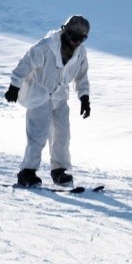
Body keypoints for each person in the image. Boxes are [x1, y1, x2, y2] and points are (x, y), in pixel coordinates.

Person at [5, 14, 91, 188]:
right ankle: (27, 172)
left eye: (81, 38)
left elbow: (82, 76)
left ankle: (59, 171)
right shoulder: (46, 47)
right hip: (39, 95)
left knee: (62, 135)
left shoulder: (80, 53)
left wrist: (84, 98)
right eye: (74, 37)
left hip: (60, 97)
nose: (76, 42)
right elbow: (26, 63)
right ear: (65, 32)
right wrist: (15, 85)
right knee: (38, 135)